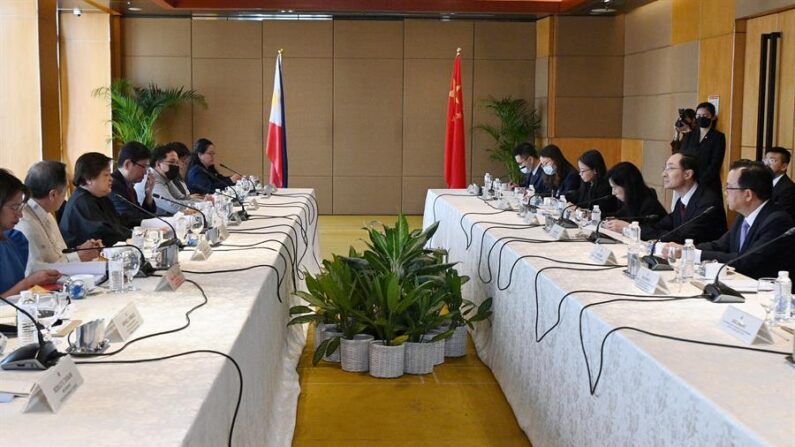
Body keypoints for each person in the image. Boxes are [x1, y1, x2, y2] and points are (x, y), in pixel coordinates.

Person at [663, 161, 795, 280]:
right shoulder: (743, 216)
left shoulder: (777, 222)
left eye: (729, 188)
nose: (725, 193)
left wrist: (693, 254)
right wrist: (686, 249)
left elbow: (746, 261)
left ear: (748, 194)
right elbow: (721, 245)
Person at [15, 161, 102, 274]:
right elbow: (33, 272)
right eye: (65, 191)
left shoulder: (47, 214)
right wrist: (78, 256)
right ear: (53, 195)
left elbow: (58, 255)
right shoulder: (24, 223)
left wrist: (79, 251)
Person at [0, 169, 61, 297]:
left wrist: (35, 281)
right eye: (14, 207)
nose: (20, 214)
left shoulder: (16, 240)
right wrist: (29, 282)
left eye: (20, 207)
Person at [644, 153, 727, 243]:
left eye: (670, 168)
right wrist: (631, 227)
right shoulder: (681, 202)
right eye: (665, 168)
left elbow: (682, 237)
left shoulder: (708, 204)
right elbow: (659, 226)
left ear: (687, 174)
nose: (663, 174)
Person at [60, 152, 132, 247]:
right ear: (88, 178)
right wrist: (131, 238)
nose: (111, 179)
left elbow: (118, 223)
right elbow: (103, 234)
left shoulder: (101, 197)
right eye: (106, 175)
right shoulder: (81, 202)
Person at [602, 161, 666, 237]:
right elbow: (619, 215)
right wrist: (606, 221)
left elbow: (652, 233)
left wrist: (627, 227)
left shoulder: (650, 206)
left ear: (627, 186)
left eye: (614, 188)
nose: (613, 193)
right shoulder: (631, 201)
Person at [679, 102, 725, 199]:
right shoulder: (689, 136)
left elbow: (715, 164)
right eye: (698, 115)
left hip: (709, 185)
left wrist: (699, 182)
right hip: (689, 183)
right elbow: (681, 157)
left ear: (713, 117)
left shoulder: (718, 137)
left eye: (705, 115)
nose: (701, 118)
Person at [136, 144, 193, 215]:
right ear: (158, 164)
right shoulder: (151, 178)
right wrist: (199, 206)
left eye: (177, 163)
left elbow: (182, 198)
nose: (176, 166)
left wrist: (204, 202)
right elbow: (172, 206)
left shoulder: (166, 176)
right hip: (149, 222)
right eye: (172, 162)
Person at [111, 141, 156, 227]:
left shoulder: (128, 185)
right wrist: (161, 220)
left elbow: (140, 214)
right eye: (144, 166)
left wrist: (149, 193)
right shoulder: (113, 186)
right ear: (128, 164)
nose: (146, 172)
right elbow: (130, 219)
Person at [573, 149, 620, 214]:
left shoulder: (606, 188)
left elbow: (602, 213)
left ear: (595, 170)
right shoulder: (587, 184)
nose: (580, 173)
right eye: (579, 170)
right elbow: (577, 197)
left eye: (582, 171)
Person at [763, 146, 795, 220]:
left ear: (784, 166)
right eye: (765, 159)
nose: (766, 164)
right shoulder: (762, 183)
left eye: (772, 160)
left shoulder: (789, 189)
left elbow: (782, 218)